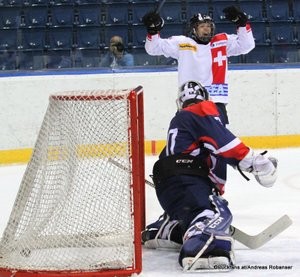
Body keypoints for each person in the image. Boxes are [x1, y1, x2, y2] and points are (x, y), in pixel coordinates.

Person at [142, 81, 278, 272]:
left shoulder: (180, 122)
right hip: (186, 179)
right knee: (213, 215)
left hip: (169, 186)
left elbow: (170, 160)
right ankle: (204, 247)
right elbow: (224, 145)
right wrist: (257, 163)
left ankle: (168, 228)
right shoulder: (200, 111)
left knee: (192, 210)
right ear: (205, 98)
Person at [142, 6, 255, 126]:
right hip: (189, 101)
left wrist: (242, 24)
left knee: (217, 142)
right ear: (194, 30)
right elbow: (153, 49)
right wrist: (153, 31)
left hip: (216, 102)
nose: (206, 29)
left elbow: (247, 45)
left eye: (209, 26)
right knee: (181, 140)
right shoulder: (183, 43)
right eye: (202, 26)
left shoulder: (222, 41)